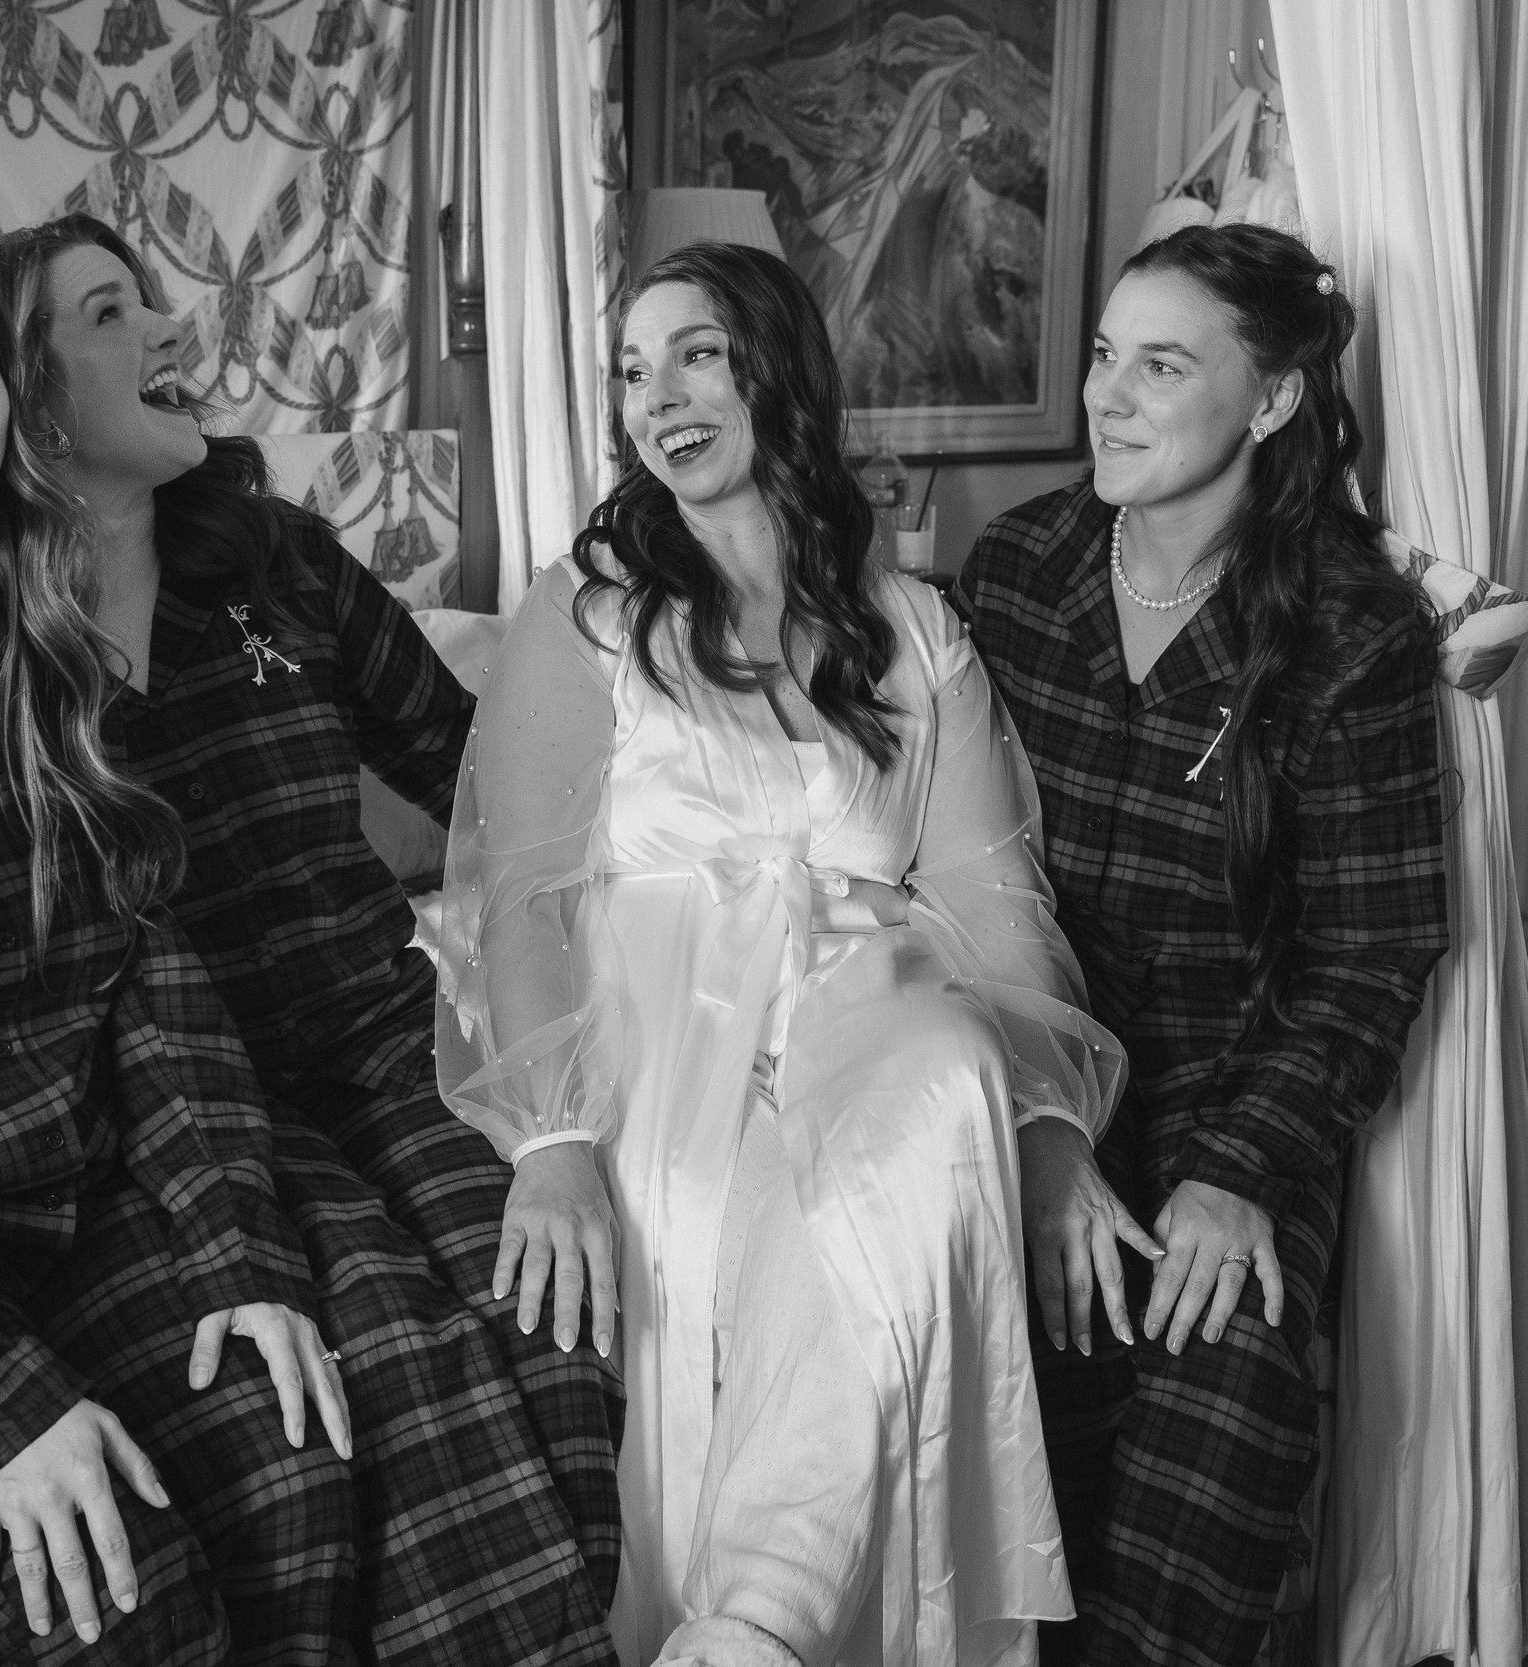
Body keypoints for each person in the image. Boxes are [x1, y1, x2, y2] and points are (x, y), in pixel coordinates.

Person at [0, 221, 602, 1666]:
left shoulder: (17, 639)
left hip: (127, 1164)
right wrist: (1, 1410)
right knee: (127, 1563)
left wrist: (240, 1259)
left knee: (341, 1418)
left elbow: (140, 974)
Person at [414, 241, 1125, 1667]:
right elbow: (530, 895)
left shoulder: (915, 632)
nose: (656, 394)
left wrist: (1052, 1128)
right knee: (793, 1219)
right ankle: (763, 1625)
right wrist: (552, 1139)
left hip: (873, 1004)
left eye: (694, 353)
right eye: (631, 368)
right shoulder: (592, 614)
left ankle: (755, 1631)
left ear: (774, 371)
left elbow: (991, 904)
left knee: (943, 1083)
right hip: (661, 1024)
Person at [0, 210, 624, 1633]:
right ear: (25, 399)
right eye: (106, 315)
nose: (166, 329)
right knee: (392, 1356)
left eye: (150, 298)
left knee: (565, 1326)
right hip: (185, 1111)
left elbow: (476, 772)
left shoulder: (279, 566)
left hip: (388, 1045)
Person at [954, 223, 1449, 1667]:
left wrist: (1240, 1176)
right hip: (1008, 1092)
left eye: (1161, 364)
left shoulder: (1352, 633)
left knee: (1218, 1421)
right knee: (952, 1387)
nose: (1107, 395)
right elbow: (936, 880)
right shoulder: (1015, 571)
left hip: (1222, 1122)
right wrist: (1034, 1126)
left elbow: (1373, 956)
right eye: (1106, 356)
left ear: (1276, 396)